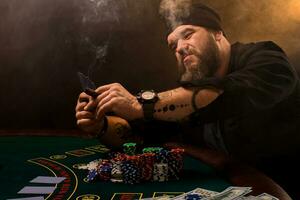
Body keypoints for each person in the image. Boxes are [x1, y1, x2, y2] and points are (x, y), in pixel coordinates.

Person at [75, 0, 300, 198]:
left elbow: (238, 90)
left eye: (188, 34)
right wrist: (101, 125)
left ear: (218, 33)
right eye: (173, 45)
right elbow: (143, 133)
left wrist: (139, 104)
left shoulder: (265, 57)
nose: (180, 48)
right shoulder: (185, 93)